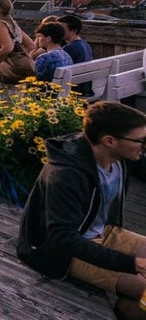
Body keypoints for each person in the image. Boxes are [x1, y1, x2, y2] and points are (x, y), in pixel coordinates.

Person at [17, 102, 146, 319]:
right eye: (141, 141)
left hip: (102, 232)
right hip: (63, 252)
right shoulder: (67, 174)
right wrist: (130, 264)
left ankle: (126, 310)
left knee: (137, 297)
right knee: (142, 287)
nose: (144, 146)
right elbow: (62, 237)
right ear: (110, 141)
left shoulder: (118, 156)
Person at [58, 14, 94, 97]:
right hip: (85, 87)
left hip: (74, 89)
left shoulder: (70, 48)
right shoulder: (85, 44)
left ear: (74, 30)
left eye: (62, 29)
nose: (58, 31)